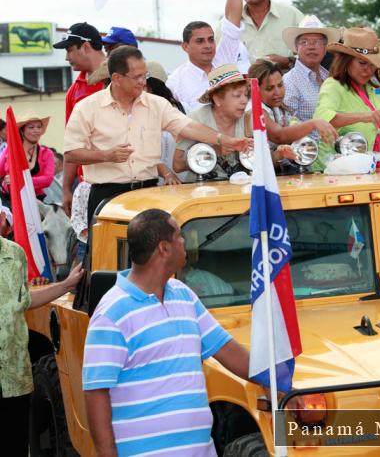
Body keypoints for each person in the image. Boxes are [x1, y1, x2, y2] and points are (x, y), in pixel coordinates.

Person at [82, 208, 249, 457]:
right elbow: (95, 392)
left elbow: (228, 350)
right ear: (164, 248)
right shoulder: (112, 313)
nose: (185, 243)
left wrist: (280, 382)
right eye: (180, 237)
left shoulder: (183, 295)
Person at [64, 47, 252, 225]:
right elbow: (71, 153)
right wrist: (106, 155)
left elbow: (188, 126)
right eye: (137, 77)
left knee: (153, 255)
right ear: (116, 78)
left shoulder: (157, 104)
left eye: (144, 75)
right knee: (107, 256)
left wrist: (223, 139)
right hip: (106, 194)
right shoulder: (87, 107)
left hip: (149, 192)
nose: (143, 82)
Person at [0, 228, 83, 457]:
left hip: (14, 376)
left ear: (2, 219)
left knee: (14, 445)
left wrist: (65, 285)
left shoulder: (15, 254)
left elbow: (23, 300)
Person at [174, 64, 307, 180]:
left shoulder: (250, 118)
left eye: (245, 94)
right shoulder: (196, 119)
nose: (244, 101)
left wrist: (279, 154)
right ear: (217, 99)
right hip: (204, 190)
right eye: (237, 96)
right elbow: (178, 164)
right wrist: (212, 153)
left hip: (243, 188)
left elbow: (260, 161)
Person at [166, 0, 245, 111]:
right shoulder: (176, 81)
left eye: (210, 39)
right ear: (185, 46)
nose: (208, 45)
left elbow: (233, 15)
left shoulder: (224, 59)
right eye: (200, 41)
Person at [312, 27, 380, 172]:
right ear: (346, 61)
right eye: (362, 63)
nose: (368, 70)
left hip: (362, 169)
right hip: (331, 172)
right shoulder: (333, 85)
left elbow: (379, 134)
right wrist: (365, 116)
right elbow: (322, 120)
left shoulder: (368, 89)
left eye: (373, 65)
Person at [53, 22, 106, 215]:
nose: (67, 58)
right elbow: (72, 145)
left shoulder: (119, 78)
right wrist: (66, 189)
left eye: (69, 50)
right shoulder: (74, 91)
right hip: (89, 185)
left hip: (125, 178)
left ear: (85, 46)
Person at [216, 0, 304, 68]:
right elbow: (217, 59)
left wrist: (287, 61)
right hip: (244, 84)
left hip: (284, 83)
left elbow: (314, 53)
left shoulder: (292, 16)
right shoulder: (230, 25)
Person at [282, 15, 341, 122]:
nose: (311, 47)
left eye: (317, 42)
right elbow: (288, 122)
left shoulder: (331, 77)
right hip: (306, 139)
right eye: (304, 42)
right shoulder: (289, 81)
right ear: (296, 49)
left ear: (325, 48)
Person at [145, 60, 186, 185]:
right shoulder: (137, 113)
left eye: (143, 85)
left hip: (187, 182)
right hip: (154, 186)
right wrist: (166, 173)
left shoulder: (183, 109)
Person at [0, 112, 55, 202]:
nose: (36, 130)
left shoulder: (47, 153)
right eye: (31, 127)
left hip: (36, 202)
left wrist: (19, 180)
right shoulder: (10, 150)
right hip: (11, 201)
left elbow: (48, 179)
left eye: (39, 127)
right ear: (22, 130)